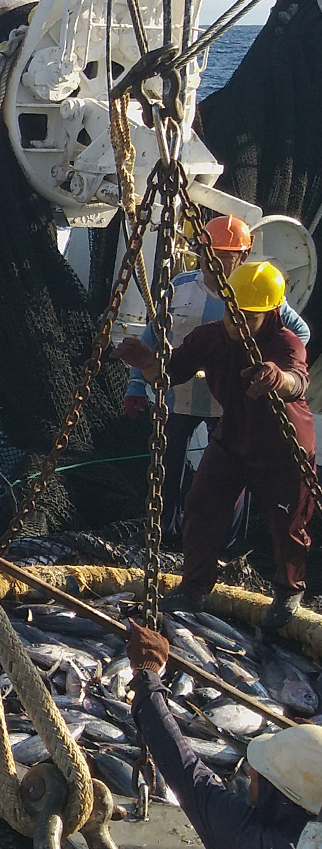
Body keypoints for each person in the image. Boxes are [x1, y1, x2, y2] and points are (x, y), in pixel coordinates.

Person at [114, 260, 316, 628]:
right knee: (200, 507)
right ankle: (194, 588)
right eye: (232, 309)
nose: (236, 321)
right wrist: (145, 364)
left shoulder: (284, 342)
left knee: (287, 525)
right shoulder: (210, 337)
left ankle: (289, 589)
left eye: (248, 316)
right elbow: (169, 373)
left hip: (284, 450)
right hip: (232, 438)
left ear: (270, 313)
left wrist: (277, 379)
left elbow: (297, 380)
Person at [124, 216, 310, 536]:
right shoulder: (179, 287)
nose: (212, 262)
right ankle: (164, 532)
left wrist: (272, 367)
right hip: (177, 394)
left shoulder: (252, 293)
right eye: (207, 253)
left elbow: (299, 333)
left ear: (242, 256)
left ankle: (226, 542)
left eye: (223, 255)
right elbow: (150, 339)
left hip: (230, 403)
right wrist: (136, 384)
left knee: (233, 474)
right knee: (165, 469)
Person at [125, 619, 320, 849]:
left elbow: (181, 764)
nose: (250, 775)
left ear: (275, 791)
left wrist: (148, 674)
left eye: (258, 775)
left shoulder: (249, 841)